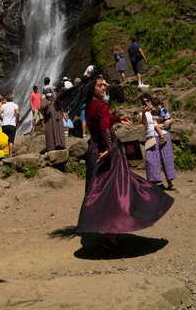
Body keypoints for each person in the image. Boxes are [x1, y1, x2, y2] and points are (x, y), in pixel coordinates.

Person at [55, 75, 174, 249]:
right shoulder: (102, 105)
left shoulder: (89, 106)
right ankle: (113, 235)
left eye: (104, 85)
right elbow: (105, 129)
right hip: (106, 151)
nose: (104, 88)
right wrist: (109, 148)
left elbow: (102, 121)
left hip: (94, 150)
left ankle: (109, 233)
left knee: (101, 191)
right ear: (92, 89)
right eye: (100, 86)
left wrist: (117, 119)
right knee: (117, 191)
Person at [139, 96, 176, 191]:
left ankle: (170, 182)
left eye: (148, 101)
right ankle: (153, 184)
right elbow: (143, 122)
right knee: (151, 160)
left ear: (151, 101)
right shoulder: (142, 113)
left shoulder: (158, 109)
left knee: (167, 158)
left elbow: (171, 119)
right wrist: (143, 112)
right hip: (151, 137)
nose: (146, 103)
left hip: (163, 134)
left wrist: (169, 121)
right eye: (144, 102)